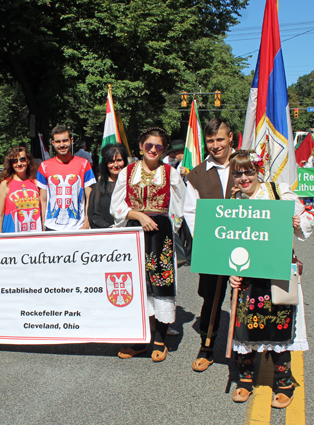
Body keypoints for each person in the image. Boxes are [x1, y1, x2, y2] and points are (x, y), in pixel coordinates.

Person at [228, 150, 313, 408]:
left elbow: (308, 216)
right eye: (238, 173)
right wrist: (230, 270)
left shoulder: (278, 192)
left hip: (276, 271)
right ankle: (244, 380)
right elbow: (227, 241)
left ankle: (284, 381)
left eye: (249, 171)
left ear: (258, 171)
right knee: (245, 326)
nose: (244, 178)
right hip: (248, 274)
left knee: (280, 325)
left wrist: (298, 222)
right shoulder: (233, 202)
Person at [110, 128, 186, 362]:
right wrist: (139, 215)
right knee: (139, 282)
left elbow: (181, 204)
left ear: (164, 150)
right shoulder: (127, 172)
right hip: (134, 232)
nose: (153, 150)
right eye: (149, 146)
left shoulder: (170, 173)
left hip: (160, 233)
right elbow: (116, 206)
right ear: (141, 146)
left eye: (158, 147)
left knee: (161, 282)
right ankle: (143, 337)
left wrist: (170, 227)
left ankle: (160, 337)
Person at [183, 118, 235, 372]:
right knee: (212, 298)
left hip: (246, 246)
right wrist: (204, 240)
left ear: (231, 138)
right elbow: (190, 212)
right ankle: (207, 346)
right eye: (211, 141)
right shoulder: (198, 174)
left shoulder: (248, 166)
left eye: (220, 139)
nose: (216, 145)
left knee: (247, 297)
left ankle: (245, 349)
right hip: (212, 246)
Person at [37, 125, 96, 231]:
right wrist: (43, 226)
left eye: (65, 141)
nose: (62, 145)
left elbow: (90, 197)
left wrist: (86, 224)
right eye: (58, 142)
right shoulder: (44, 167)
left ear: (71, 140)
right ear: (53, 143)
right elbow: (43, 200)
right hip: (52, 227)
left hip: (77, 227)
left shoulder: (84, 164)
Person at [0, 146, 41, 233]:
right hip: (12, 235)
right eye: (15, 161)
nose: (19, 163)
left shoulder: (36, 184)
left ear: (28, 161)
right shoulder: (5, 185)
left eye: (22, 159)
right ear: (11, 164)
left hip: (34, 235)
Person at [88, 143, 128, 228]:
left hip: (128, 233)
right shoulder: (100, 186)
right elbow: (94, 215)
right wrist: (110, 227)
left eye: (119, 160)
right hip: (107, 234)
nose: (116, 165)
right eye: (111, 161)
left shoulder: (132, 184)